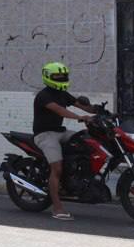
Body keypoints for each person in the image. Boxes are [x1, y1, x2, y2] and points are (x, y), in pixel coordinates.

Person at [33, 61, 95, 221]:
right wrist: (80, 117)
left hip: (60, 132)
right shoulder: (43, 96)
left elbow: (80, 105)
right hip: (45, 135)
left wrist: (98, 111)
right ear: (48, 77)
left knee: (87, 142)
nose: (61, 79)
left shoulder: (62, 93)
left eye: (63, 76)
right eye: (57, 76)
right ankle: (57, 208)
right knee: (57, 168)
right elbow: (60, 110)